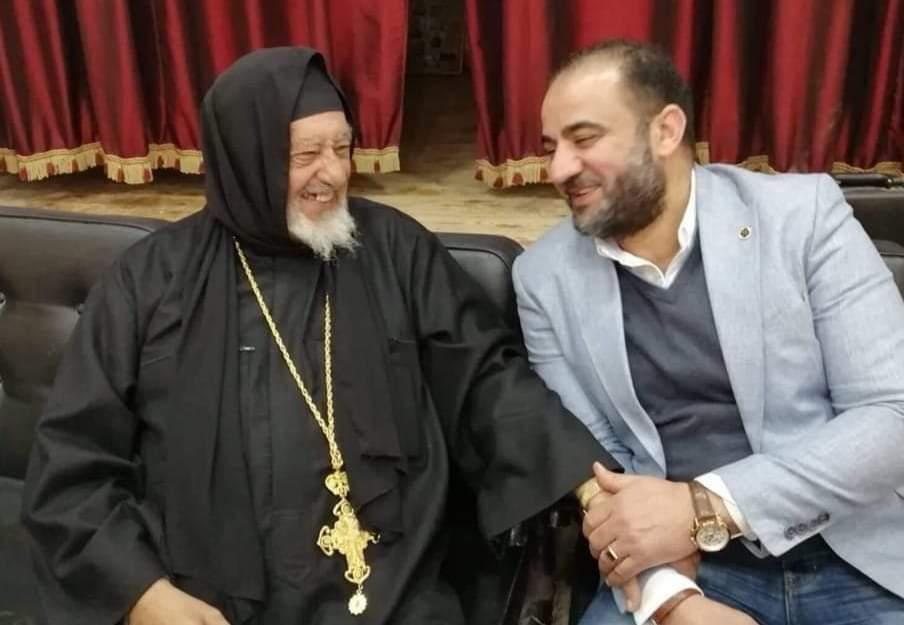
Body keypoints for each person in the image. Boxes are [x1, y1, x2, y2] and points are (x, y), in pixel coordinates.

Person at [22, 47, 615, 625]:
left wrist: (588, 485)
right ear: (245, 158)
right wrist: (142, 595)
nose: (331, 174)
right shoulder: (149, 282)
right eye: (305, 154)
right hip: (202, 602)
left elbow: (489, 383)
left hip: (395, 590)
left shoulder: (397, 252)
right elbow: (74, 462)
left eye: (342, 148)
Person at [514, 38, 904, 625]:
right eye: (552, 148)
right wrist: (671, 600)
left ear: (666, 130)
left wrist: (705, 506)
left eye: (584, 139)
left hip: (853, 548)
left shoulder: (802, 217)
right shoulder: (543, 278)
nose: (559, 169)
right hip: (686, 567)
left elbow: (891, 416)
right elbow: (599, 466)